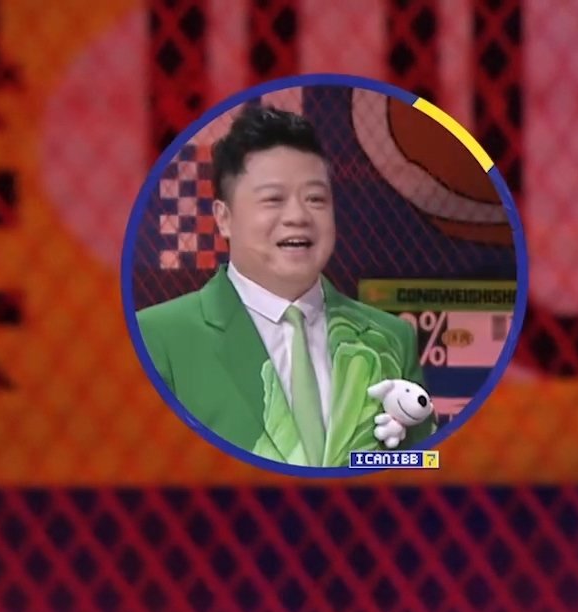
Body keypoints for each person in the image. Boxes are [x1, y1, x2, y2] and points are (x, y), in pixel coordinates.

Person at [135, 104, 435, 467]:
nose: (298, 216)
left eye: (315, 199)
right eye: (273, 200)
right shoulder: (157, 339)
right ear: (224, 218)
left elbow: (425, 467)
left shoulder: (391, 338)